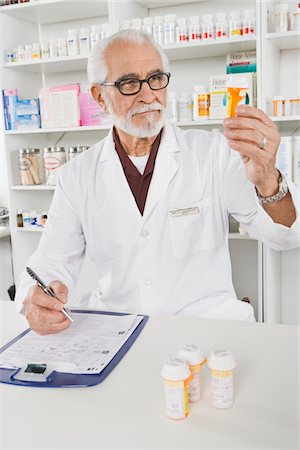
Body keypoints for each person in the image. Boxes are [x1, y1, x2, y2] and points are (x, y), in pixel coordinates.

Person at [16, 30, 299, 335]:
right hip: (119, 329)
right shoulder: (77, 176)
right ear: (100, 97)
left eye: (155, 78)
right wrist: (36, 299)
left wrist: (269, 179)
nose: (148, 94)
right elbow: (51, 261)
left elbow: (284, 238)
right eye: (128, 83)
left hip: (207, 327)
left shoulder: (213, 153)